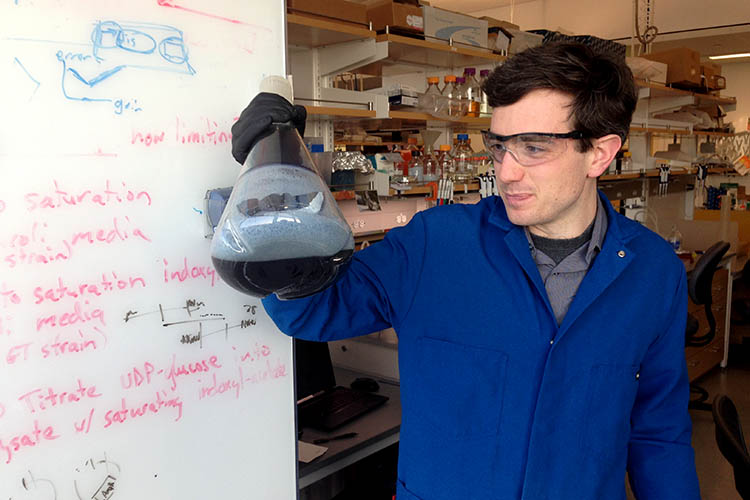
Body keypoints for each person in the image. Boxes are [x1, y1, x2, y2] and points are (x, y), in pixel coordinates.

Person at [230, 43, 700, 500]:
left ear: (601, 152)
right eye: (499, 147)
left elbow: (658, 434)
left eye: (533, 148)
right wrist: (276, 179)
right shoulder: (436, 245)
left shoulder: (653, 273)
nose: (506, 172)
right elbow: (310, 310)